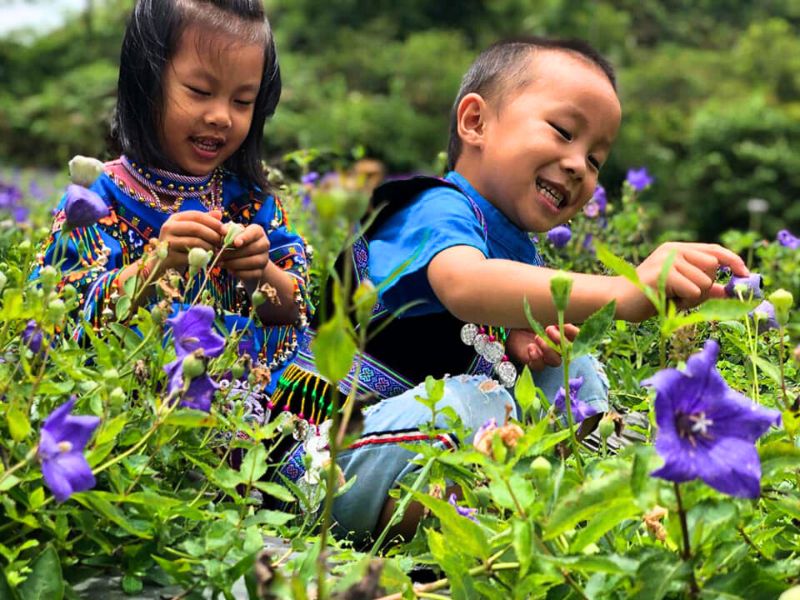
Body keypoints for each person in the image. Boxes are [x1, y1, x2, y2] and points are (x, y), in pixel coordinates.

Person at [273, 36, 749, 545]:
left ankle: (580, 487)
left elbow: (484, 317)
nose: (577, 165)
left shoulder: (518, 251)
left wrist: (522, 349)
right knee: (476, 403)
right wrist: (626, 290)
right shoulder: (431, 207)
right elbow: (464, 284)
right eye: (564, 132)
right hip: (322, 454)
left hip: (411, 449)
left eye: (595, 161)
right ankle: (497, 520)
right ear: (475, 122)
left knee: (572, 371)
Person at [36, 0, 310, 408]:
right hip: (148, 406)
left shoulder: (252, 203)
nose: (221, 116)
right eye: (200, 92)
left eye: (242, 101)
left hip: (262, 392)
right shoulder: (96, 198)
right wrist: (155, 266)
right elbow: (60, 318)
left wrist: (260, 272)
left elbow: (294, 312)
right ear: (146, 82)